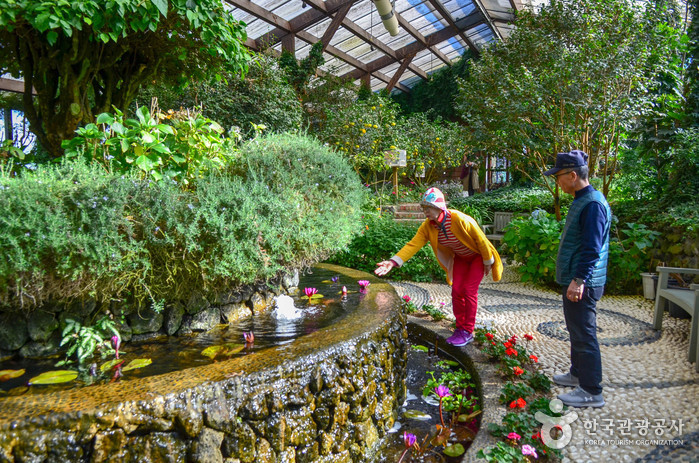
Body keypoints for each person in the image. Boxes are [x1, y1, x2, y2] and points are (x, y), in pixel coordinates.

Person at [374, 187, 503, 346]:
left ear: (439, 207)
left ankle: (468, 332)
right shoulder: (428, 226)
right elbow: (413, 245)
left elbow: (481, 240)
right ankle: (460, 328)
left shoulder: (459, 219)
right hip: (461, 258)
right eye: (424, 208)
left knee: (469, 291)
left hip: (477, 257)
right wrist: (392, 262)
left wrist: (487, 261)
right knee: (456, 291)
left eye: (428, 207)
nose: (425, 211)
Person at [544, 150, 612, 408]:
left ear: (573, 175)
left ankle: (591, 391)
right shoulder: (582, 199)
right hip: (580, 279)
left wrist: (579, 280)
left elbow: (592, 248)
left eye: (559, 176)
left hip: (585, 282)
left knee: (584, 334)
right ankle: (576, 374)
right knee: (576, 330)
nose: (557, 182)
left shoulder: (592, 204)